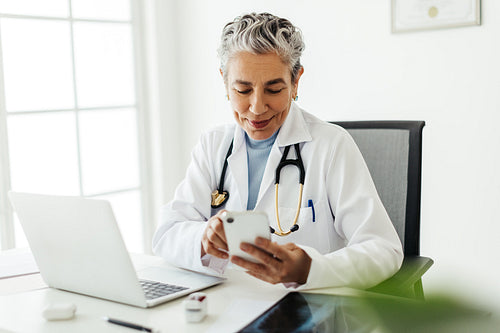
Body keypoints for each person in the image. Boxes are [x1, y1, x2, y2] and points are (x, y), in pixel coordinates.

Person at [152, 12, 403, 290]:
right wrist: (203, 238)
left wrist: (309, 269)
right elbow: (167, 233)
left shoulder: (331, 146)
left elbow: (384, 249)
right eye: (243, 89)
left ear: (296, 82)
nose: (257, 107)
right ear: (225, 82)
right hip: (228, 305)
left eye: (274, 89)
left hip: (307, 310)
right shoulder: (213, 145)